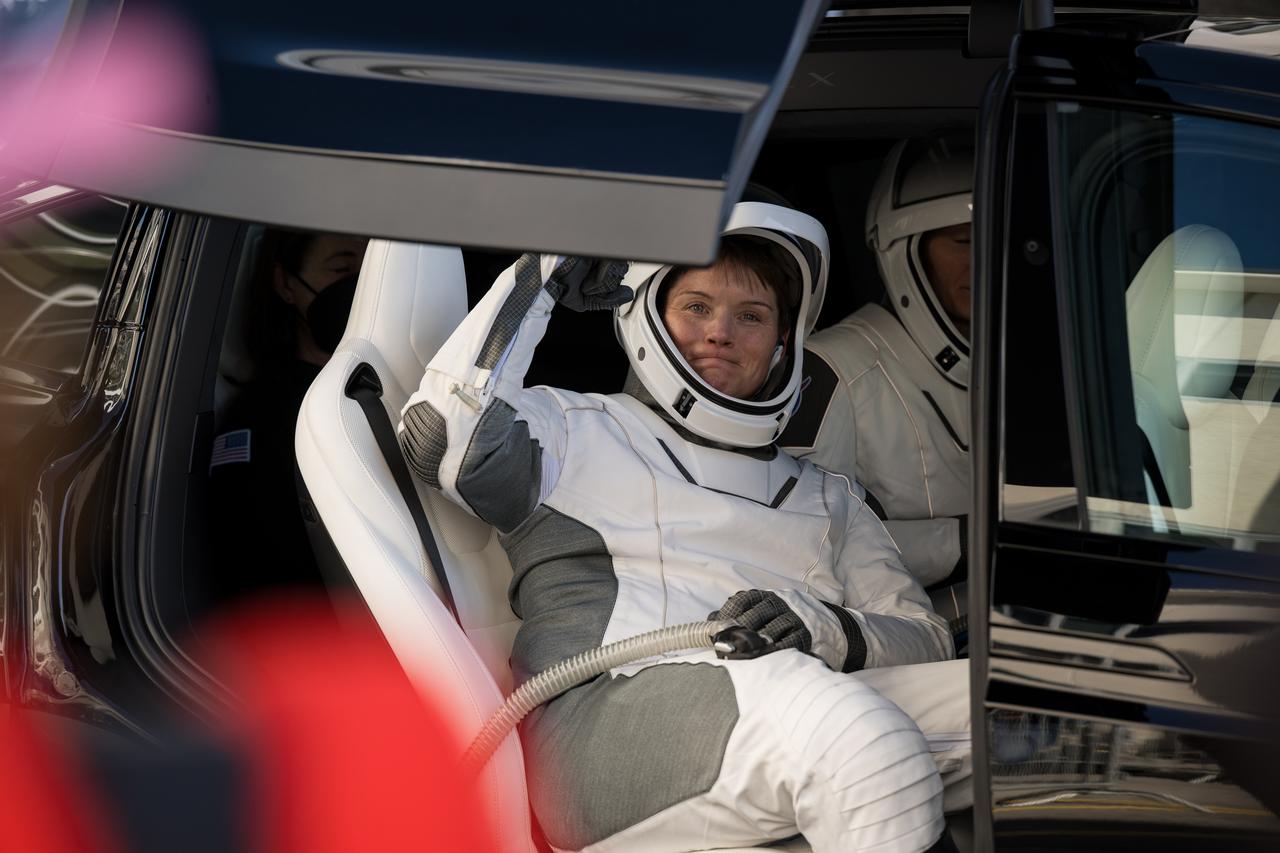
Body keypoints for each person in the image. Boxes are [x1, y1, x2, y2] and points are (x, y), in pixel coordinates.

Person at [398, 203, 970, 852]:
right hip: (604, 726)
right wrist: (541, 275)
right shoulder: (573, 428)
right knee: (862, 742)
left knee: (1027, 720)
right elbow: (441, 437)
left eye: (751, 316)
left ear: (786, 341)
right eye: (696, 306)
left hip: (801, 704)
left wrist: (824, 627)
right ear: (648, 317)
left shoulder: (828, 495)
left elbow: (925, 639)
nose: (721, 332)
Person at [782, 137, 973, 593]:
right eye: (964, 241)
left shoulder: (1052, 363)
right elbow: (801, 543)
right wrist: (964, 543)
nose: (987, 257)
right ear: (905, 252)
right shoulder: (834, 369)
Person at [207, 230, 367, 603]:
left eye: (368, 271)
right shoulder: (262, 416)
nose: (357, 286)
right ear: (285, 284)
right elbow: (264, 568)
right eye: (342, 268)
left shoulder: (394, 389)